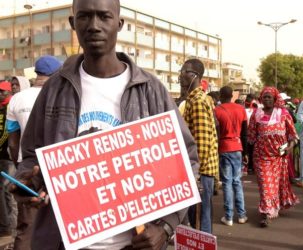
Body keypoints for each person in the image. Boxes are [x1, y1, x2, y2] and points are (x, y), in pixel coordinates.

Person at [11, 0, 199, 249]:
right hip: (65, 242)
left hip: (134, 244)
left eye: (104, 17)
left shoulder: (151, 90)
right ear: (73, 23)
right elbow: (31, 156)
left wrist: (165, 227)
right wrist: (28, 182)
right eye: (85, 17)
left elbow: (186, 161)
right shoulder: (54, 89)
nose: (94, 26)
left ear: (119, 23)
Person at [6, 55, 62, 250]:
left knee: (26, 226)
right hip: (58, 166)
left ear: (36, 73)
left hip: (28, 169)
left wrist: (21, 165)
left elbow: (13, 141)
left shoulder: (17, 98)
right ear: (56, 73)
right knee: (60, 225)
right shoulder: (60, 94)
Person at [248, 87, 299, 228]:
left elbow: (293, 136)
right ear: (261, 99)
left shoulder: (283, 114)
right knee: (265, 184)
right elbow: (251, 136)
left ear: (275, 99)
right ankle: (266, 213)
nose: (267, 99)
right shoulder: (256, 114)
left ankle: (273, 206)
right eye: (264, 97)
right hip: (261, 156)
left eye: (269, 97)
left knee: (275, 184)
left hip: (278, 157)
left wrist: (288, 148)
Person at [179, 58, 218, 234]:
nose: (180, 76)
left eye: (184, 71)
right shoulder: (194, 99)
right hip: (201, 172)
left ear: (195, 75)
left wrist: (196, 175)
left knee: (201, 221)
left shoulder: (198, 101)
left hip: (201, 173)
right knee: (200, 219)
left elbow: (201, 143)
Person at [214, 86, 248, 226]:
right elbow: (245, 132)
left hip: (224, 148)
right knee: (237, 182)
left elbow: (215, 132)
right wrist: (245, 152)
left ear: (221, 96)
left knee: (227, 182)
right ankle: (241, 215)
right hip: (238, 148)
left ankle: (228, 217)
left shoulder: (216, 111)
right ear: (232, 96)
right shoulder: (241, 109)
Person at [0, 81, 17, 240]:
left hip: (8, 157)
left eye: (2, 91)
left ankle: (9, 227)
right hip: (1, 156)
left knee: (6, 191)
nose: (0, 94)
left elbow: (8, 132)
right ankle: (6, 226)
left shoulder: (10, 107)